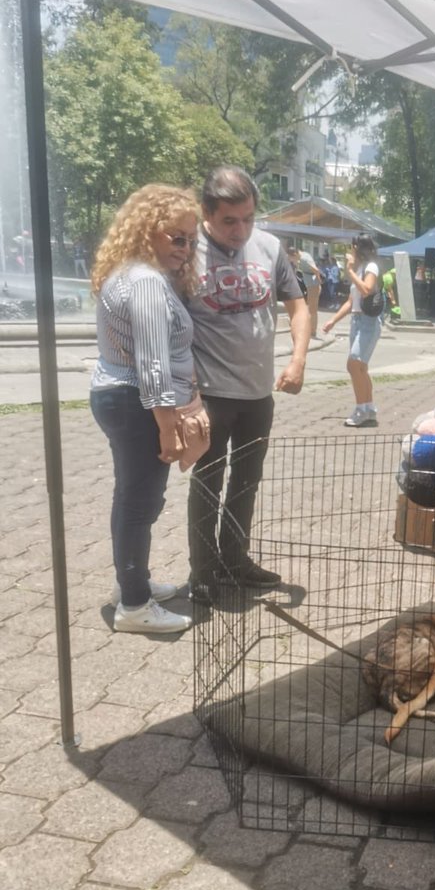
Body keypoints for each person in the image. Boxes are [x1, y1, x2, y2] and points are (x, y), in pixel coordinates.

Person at [187, 166, 311, 604]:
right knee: (208, 481)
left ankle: (235, 560)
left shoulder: (270, 247)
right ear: (207, 212)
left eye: (248, 218)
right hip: (210, 393)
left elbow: (298, 306)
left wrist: (298, 359)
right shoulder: (187, 249)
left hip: (258, 394)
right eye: (229, 221)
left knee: (246, 482)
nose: (240, 230)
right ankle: (203, 572)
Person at [89, 184, 201, 635]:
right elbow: (152, 363)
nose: (186, 248)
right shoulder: (146, 282)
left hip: (120, 396)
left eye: (191, 240)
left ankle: (131, 584)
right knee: (140, 503)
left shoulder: (129, 272)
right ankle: (134, 606)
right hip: (138, 402)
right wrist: (168, 426)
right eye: (178, 237)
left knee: (131, 499)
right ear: (148, 230)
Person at [321, 235, 382, 427]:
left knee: (354, 364)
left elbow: (367, 289)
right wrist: (333, 320)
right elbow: (350, 302)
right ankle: (368, 408)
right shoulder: (359, 269)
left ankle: (361, 409)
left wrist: (348, 271)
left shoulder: (370, 267)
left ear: (357, 248)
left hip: (368, 323)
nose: (349, 252)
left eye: (351, 248)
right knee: (360, 368)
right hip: (357, 321)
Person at [288, 245, 323, 336]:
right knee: (311, 308)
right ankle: (311, 330)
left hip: (312, 284)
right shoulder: (303, 256)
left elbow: (315, 270)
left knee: (311, 308)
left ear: (295, 254)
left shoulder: (303, 259)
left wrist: (319, 282)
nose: (291, 260)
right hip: (311, 284)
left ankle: (311, 330)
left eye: (291, 257)